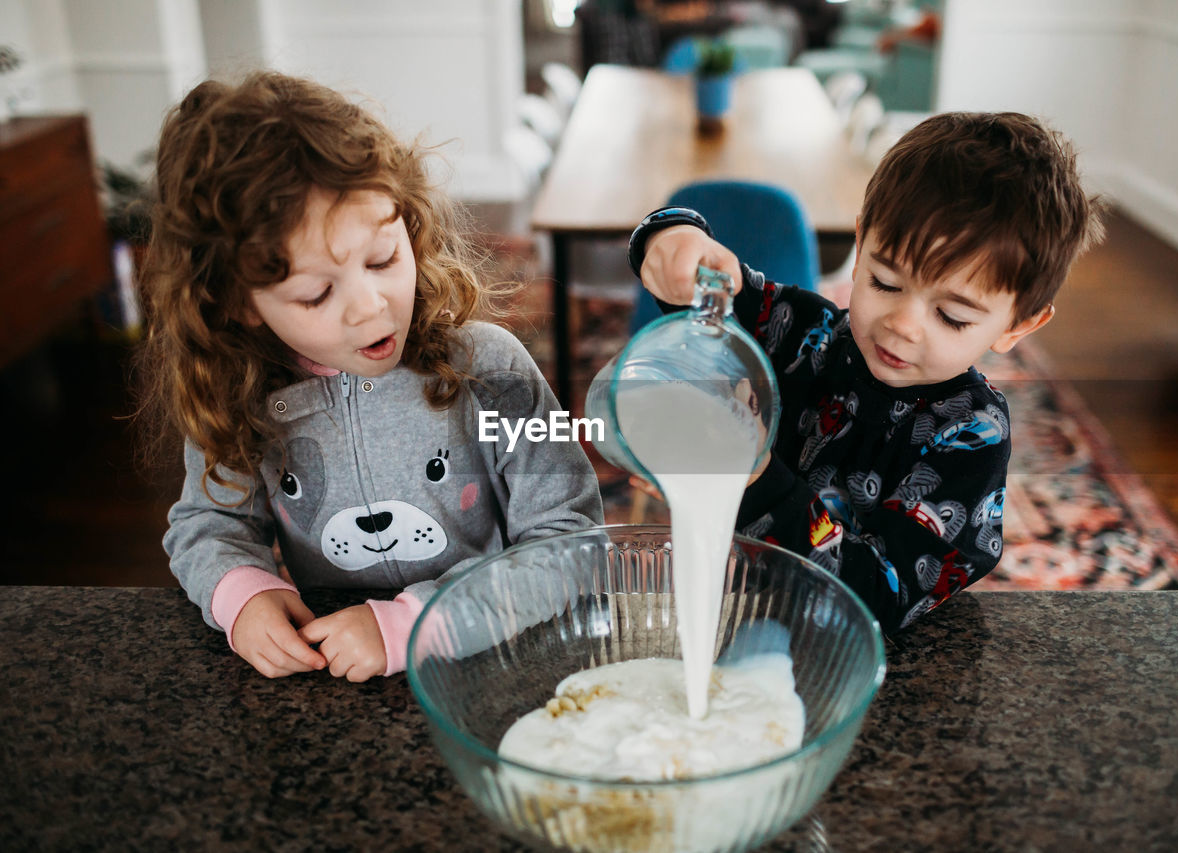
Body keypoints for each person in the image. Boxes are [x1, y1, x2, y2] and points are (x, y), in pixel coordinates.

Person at [136, 72, 603, 681]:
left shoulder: (493, 371)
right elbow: (208, 522)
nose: (370, 306)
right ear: (238, 302)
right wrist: (242, 593)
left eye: (383, 259)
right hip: (337, 677)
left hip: (496, 655)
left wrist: (415, 625)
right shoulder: (238, 392)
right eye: (315, 294)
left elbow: (570, 543)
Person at [627, 112, 1104, 632]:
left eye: (952, 316)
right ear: (860, 249)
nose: (902, 326)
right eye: (884, 282)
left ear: (1019, 324)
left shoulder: (972, 434)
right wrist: (670, 238)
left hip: (854, 663)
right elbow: (710, 297)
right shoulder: (804, 332)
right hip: (724, 602)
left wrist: (753, 478)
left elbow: (874, 599)